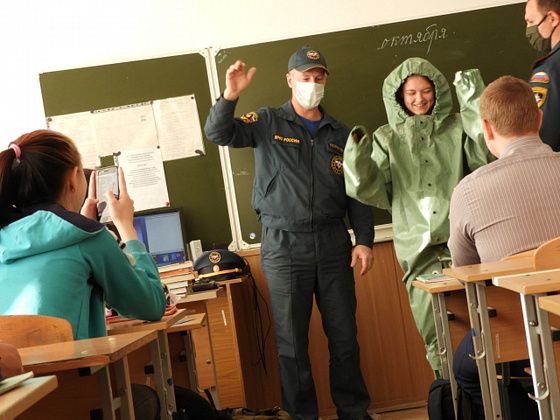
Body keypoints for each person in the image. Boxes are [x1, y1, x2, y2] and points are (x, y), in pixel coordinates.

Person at [204, 46, 375, 420]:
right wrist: (230, 95)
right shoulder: (267, 121)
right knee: (291, 344)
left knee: (345, 338)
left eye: (318, 78)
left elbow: (358, 193)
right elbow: (218, 133)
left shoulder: (342, 133)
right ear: (290, 80)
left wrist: (363, 240)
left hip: (333, 244)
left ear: (326, 80)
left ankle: (354, 413)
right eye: (305, 77)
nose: (312, 84)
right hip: (283, 245)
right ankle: (302, 416)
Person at [0, 129, 167, 419]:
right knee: (159, 399)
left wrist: (82, 226)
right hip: (75, 397)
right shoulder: (88, 237)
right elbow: (151, 305)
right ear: (73, 177)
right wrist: (126, 227)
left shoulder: (5, 236)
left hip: (17, 402)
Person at [343, 57, 493, 377]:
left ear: (437, 91)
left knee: (485, 326)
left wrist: (472, 97)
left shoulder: (457, 128)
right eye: (411, 92)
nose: (419, 99)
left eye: (426, 90)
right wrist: (356, 156)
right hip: (418, 252)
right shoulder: (386, 138)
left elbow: (484, 156)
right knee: (436, 333)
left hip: (465, 243)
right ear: (399, 96)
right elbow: (368, 188)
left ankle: (489, 396)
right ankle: (450, 394)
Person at [448, 76, 560, 418]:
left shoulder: (469, 191)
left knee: (466, 370)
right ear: (539, 118)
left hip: (518, 335)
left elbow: (464, 271)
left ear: (486, 128)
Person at [525, 0, 560, 151]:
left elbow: (543, 136)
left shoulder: (549, 70)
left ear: (552, 18)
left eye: (531, 21)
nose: (528, 30)